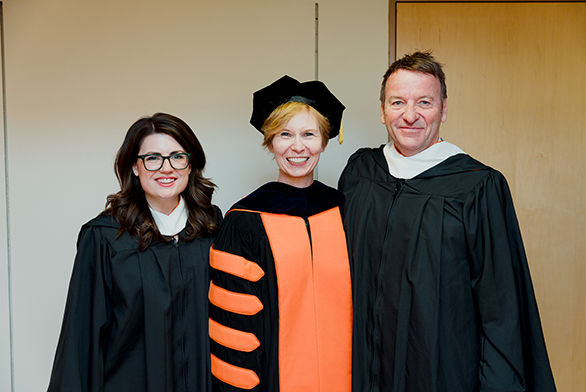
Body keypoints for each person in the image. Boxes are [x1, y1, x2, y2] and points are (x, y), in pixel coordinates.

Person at [338, 51, 557, 392]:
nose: (410, 115)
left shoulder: (477, 186)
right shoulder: (361, 173)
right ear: (382, 111)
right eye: (398, 102)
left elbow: (501, 308)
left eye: (424, 102)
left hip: (440, 370)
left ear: (443, 109)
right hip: (362, 368)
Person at [47, 113, 221, 392]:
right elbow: (81, 339)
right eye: (152, 158)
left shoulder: (212, 230)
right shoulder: (105, 237)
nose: (166, 168)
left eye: (177, 156)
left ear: (191, 165)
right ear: (135, 167)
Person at [209, 75, 352, 392]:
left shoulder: (344, 212)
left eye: (309, 134)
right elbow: (234, 326)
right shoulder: (244, 222)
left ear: (323, 142)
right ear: (270, 142)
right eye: (285, 134)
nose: (297, 147)